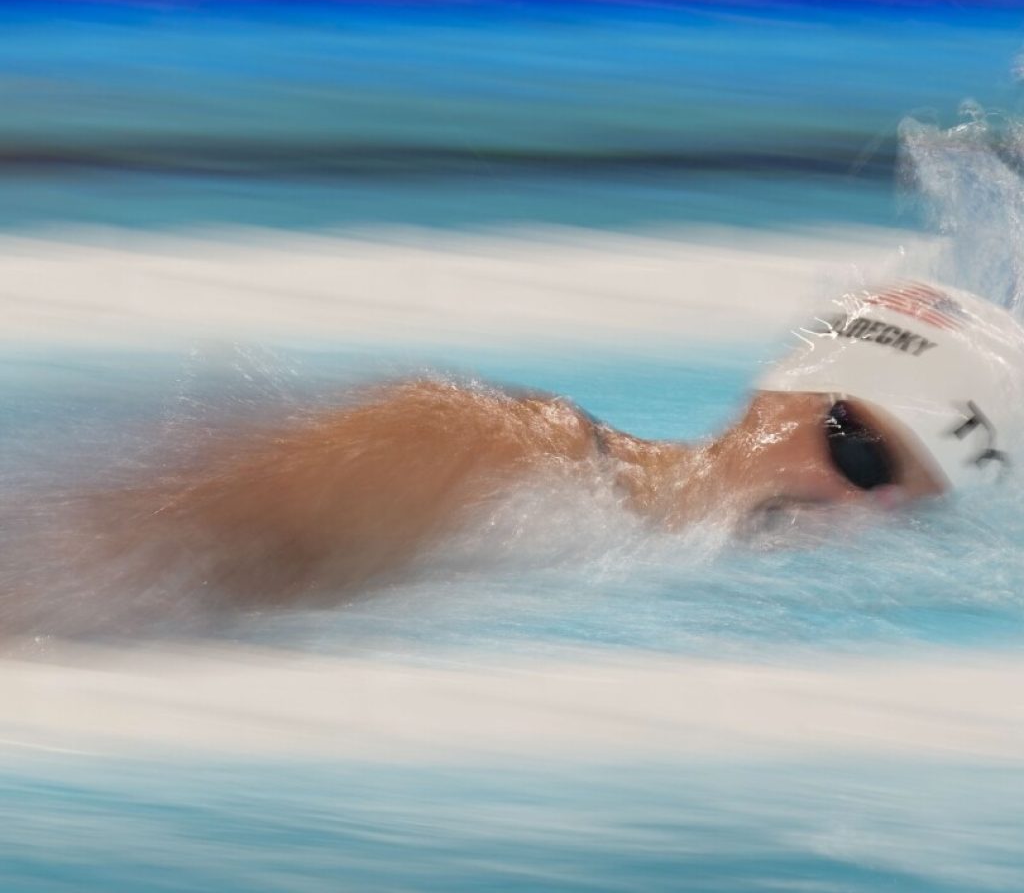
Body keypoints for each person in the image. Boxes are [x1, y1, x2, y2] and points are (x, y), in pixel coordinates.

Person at [91, 279, 1024, 608]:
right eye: (861, 453)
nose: (856, 510)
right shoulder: (489, 454)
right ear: (778, 395)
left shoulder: (641, 561)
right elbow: (121, 566)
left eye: (910, 511)